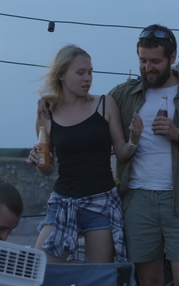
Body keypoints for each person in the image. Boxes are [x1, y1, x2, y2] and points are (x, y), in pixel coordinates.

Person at [108, 24, 179, 286]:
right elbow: (92, 112)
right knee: (148, 281)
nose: (148, 67)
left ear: (172, 58)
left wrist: (178, 134)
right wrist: (53, 101)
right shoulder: (123, 94)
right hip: (136, 198)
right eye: (143, 60)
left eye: (155, 61)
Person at [28, 44, 143, 264]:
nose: (87, 78)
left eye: (90, 72)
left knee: (98, 278)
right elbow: (47, 170)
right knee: (41, 270)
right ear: (62, 75)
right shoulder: (46, 114)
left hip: (101, 202)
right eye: (80, 72)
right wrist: (38, 161)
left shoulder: (104, 104)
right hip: (63, 202)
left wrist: (134, 141)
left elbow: (121, 153)